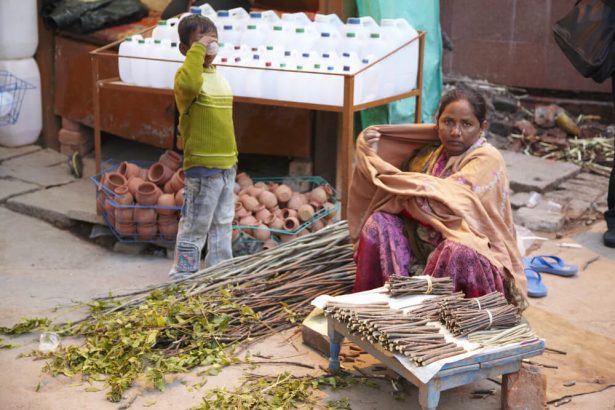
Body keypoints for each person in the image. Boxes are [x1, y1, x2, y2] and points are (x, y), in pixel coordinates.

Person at [348, 88, 527, 309]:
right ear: (437, 122)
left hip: (475, 251)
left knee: (459, 251)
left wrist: (403, 192)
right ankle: (379, 307)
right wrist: (374, 153)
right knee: (378, 224)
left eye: (466, 124)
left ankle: (443, 319)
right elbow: (399, 188)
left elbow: (440, 200)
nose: (455, 132)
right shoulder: (430, 154)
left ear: (483, 127)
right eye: (448, 122)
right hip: (423, 249)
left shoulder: (488, 159)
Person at [169, 14, 238, 279]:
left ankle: (219, 276)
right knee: (195, 227)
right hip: (202, 169)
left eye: (212, 43)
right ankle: (182, 278)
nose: (209, 48)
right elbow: (190, 83)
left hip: (225, 167)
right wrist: (198, 51)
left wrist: (233, 159)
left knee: (222, 224)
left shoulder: (217, 77)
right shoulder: (186, 78)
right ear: (185, 50)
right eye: (200, 43)